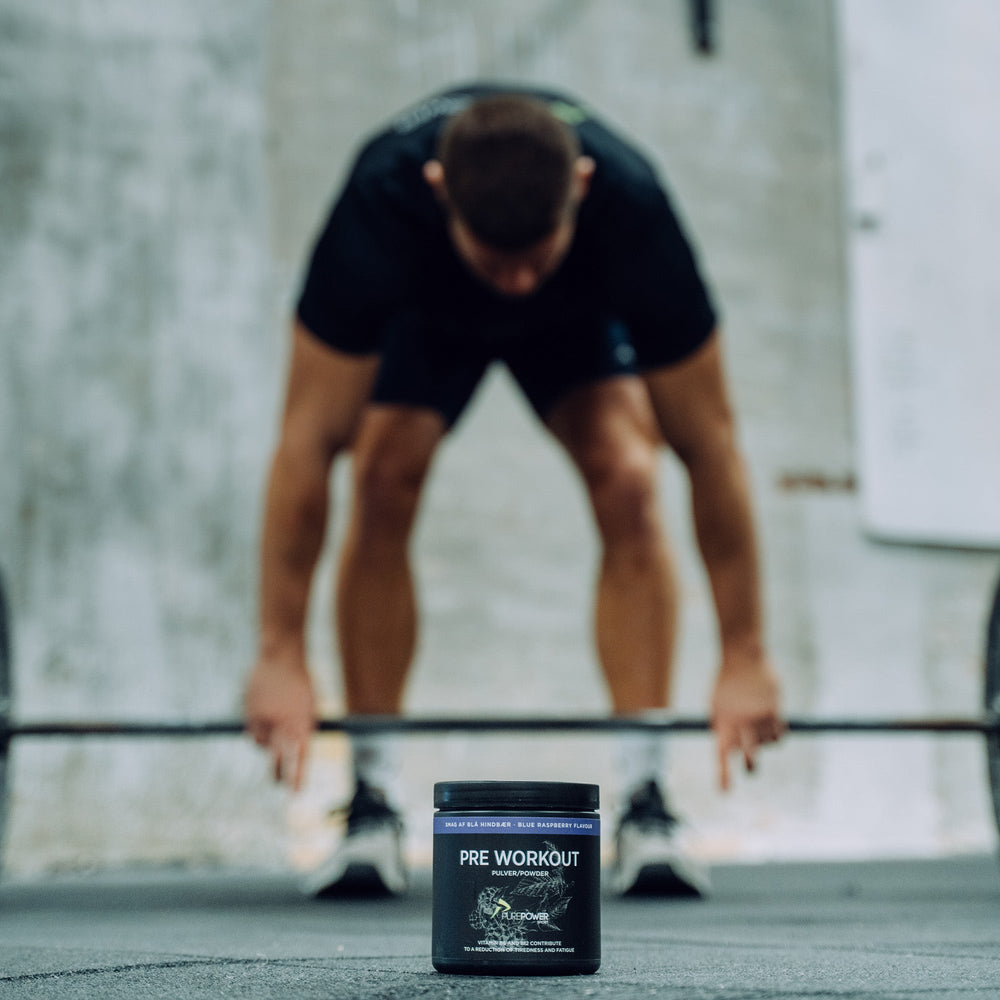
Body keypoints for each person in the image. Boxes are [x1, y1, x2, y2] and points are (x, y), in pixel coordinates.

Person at [244, 83, 784, 898]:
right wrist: (279, 653)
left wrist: (745, 655)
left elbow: (711, 450)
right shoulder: (380, 203)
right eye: (499, 260)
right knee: (382, 476)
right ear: (437, 191)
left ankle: (645, 800)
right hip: (428, 318)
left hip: (577, 324)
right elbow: (306, 447)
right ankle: (372, 802)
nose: (521, 282)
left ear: (582, 187)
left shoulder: (632, 208)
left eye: (538, 253)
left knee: (631, 478)